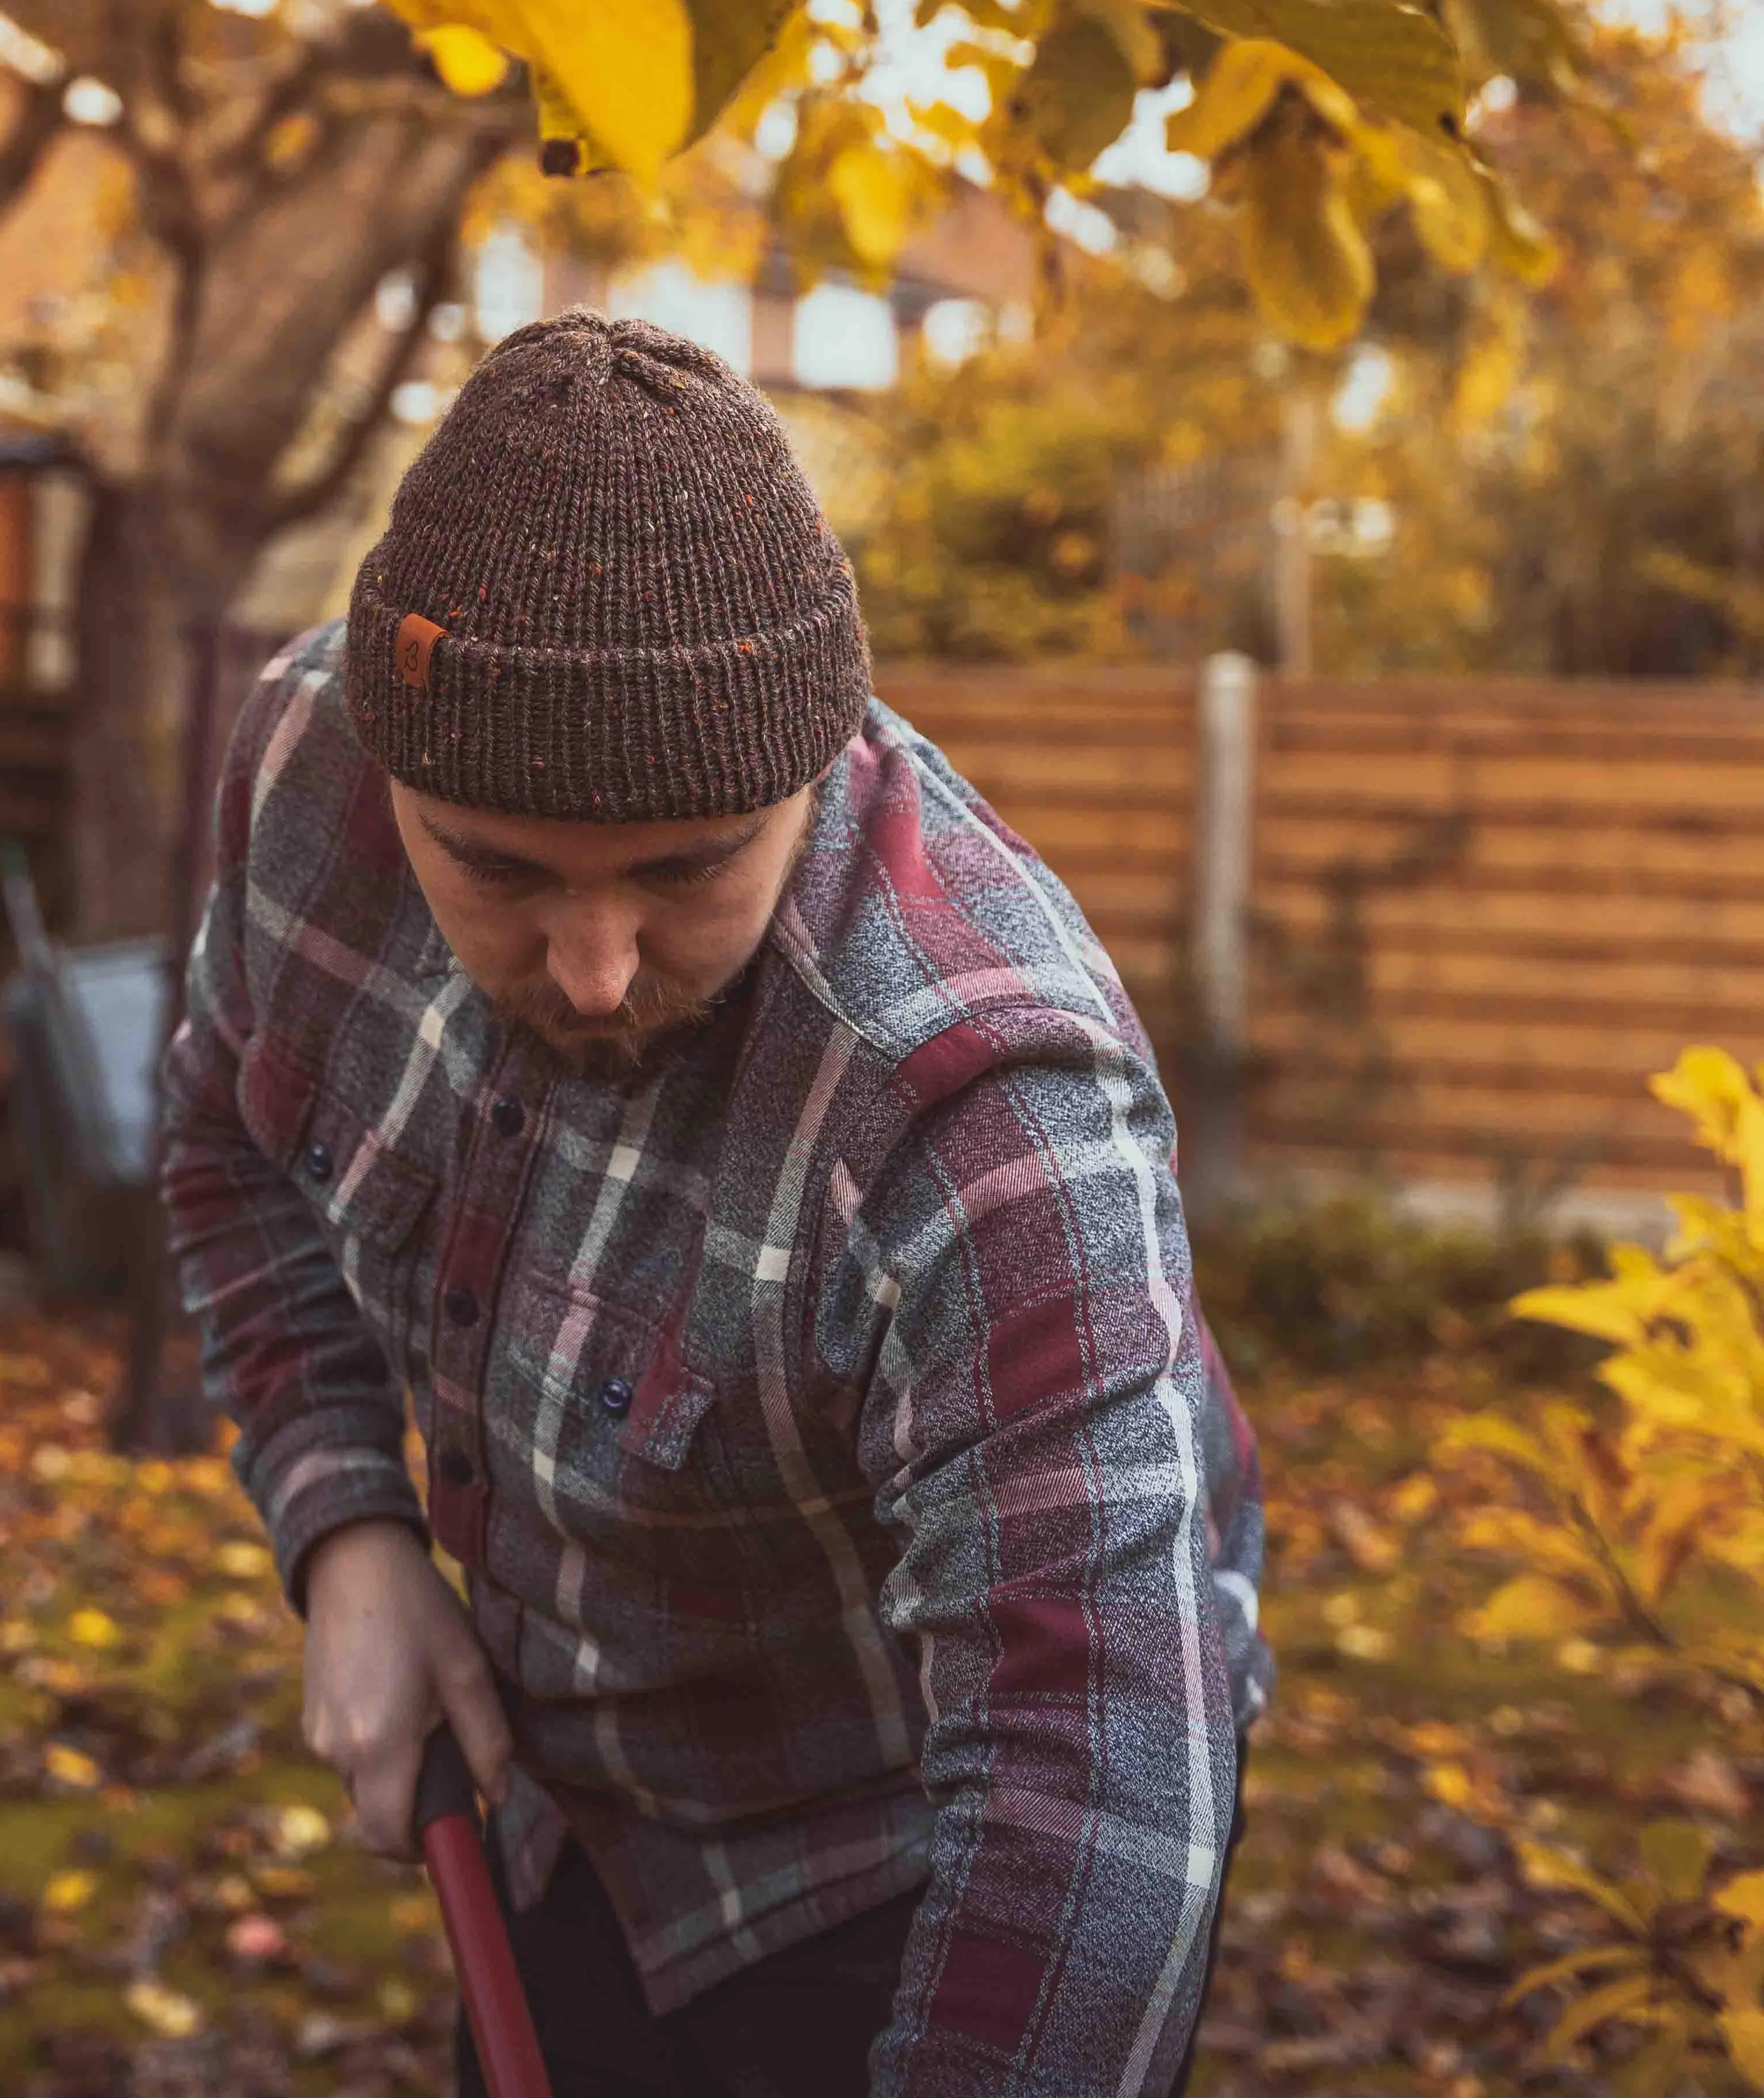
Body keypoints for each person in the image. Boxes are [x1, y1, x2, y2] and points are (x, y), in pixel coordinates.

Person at [161, 311, 1272, 2097]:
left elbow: (1102, 1806)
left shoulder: (985, 1112)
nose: (594, 970)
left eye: (685, 871)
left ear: (812, 771)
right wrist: (350, 1527)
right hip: (554, 1822)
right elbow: (229, 1147)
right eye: (499, 870)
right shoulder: (304, 764)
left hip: (903, 1870)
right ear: (387, 774)